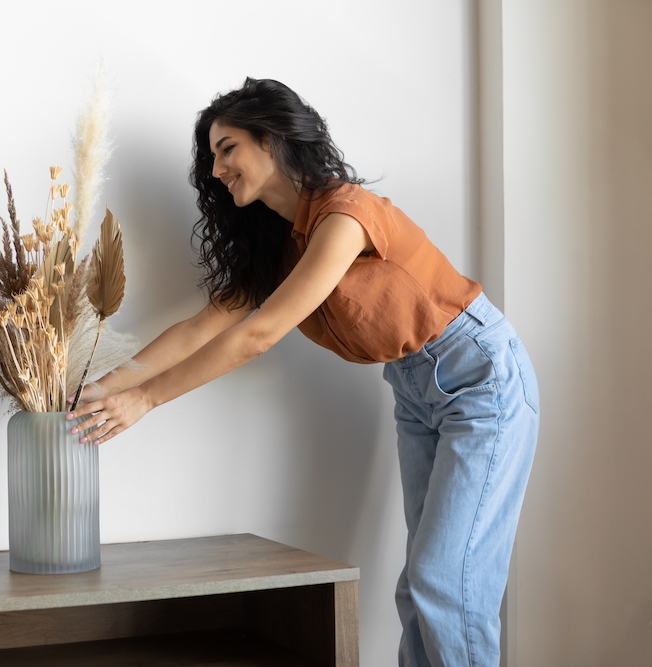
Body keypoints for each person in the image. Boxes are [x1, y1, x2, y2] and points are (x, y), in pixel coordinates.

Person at [67, 77, 539, 667]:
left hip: (477, 377)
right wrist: (107, 386)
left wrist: (146, 402)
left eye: (227, 147)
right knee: (422, 589)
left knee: (447, 584)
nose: (216, 169)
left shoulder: (346, 215)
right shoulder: (280, 246)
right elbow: (198, 329)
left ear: (272, 140)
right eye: (212, 155)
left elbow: (259, 336)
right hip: (414, 389)